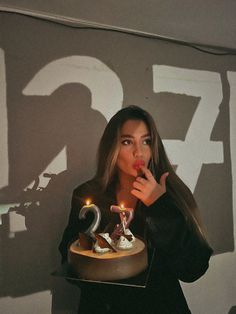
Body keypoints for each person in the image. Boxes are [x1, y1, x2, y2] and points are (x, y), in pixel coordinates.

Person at [59, 105, 213, 314]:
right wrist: (99, 267)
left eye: (146, 141)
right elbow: (68, 259)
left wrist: (159, 207)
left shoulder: (170, 194)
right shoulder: (88, 195)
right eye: (127, 141)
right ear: (111, 147)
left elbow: (193, 268)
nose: (138, 152)